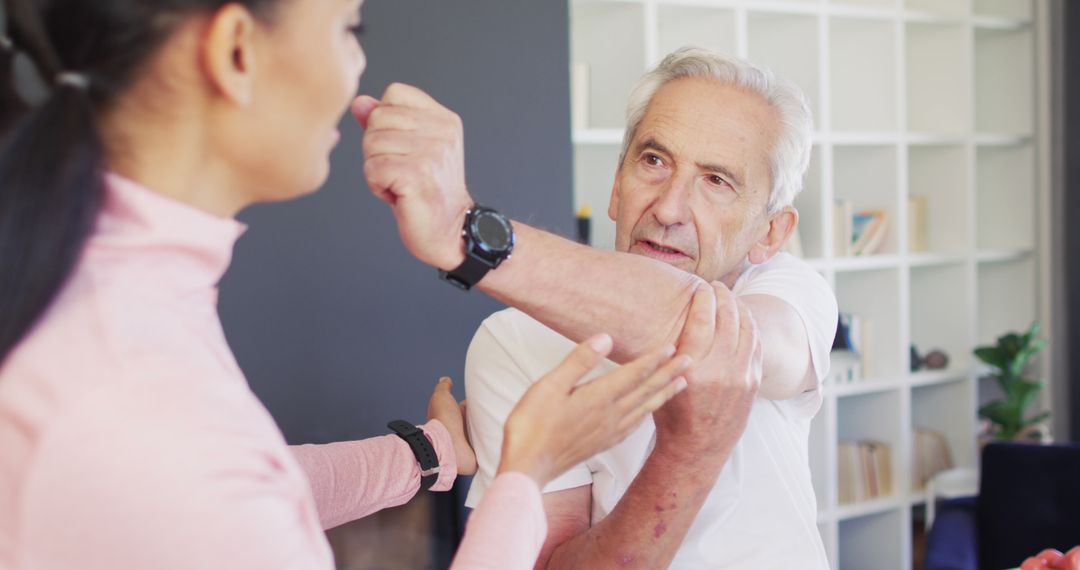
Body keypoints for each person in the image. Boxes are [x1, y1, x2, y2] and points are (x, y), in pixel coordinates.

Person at [0, 1, 697, 568]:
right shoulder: (137, 397)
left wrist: (426, 456)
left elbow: (252, 488)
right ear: (237, 51)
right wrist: (527, 471)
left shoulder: (107, 297)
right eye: (347, 30)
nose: (361, 66)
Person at [355, 46, 837, 568]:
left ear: (771, 232)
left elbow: (714, 338)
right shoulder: (513, 341)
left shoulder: (783, 290)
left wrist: (470, 236)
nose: (669, 207)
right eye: (654, 161)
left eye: (716, 181)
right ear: (616, 184)